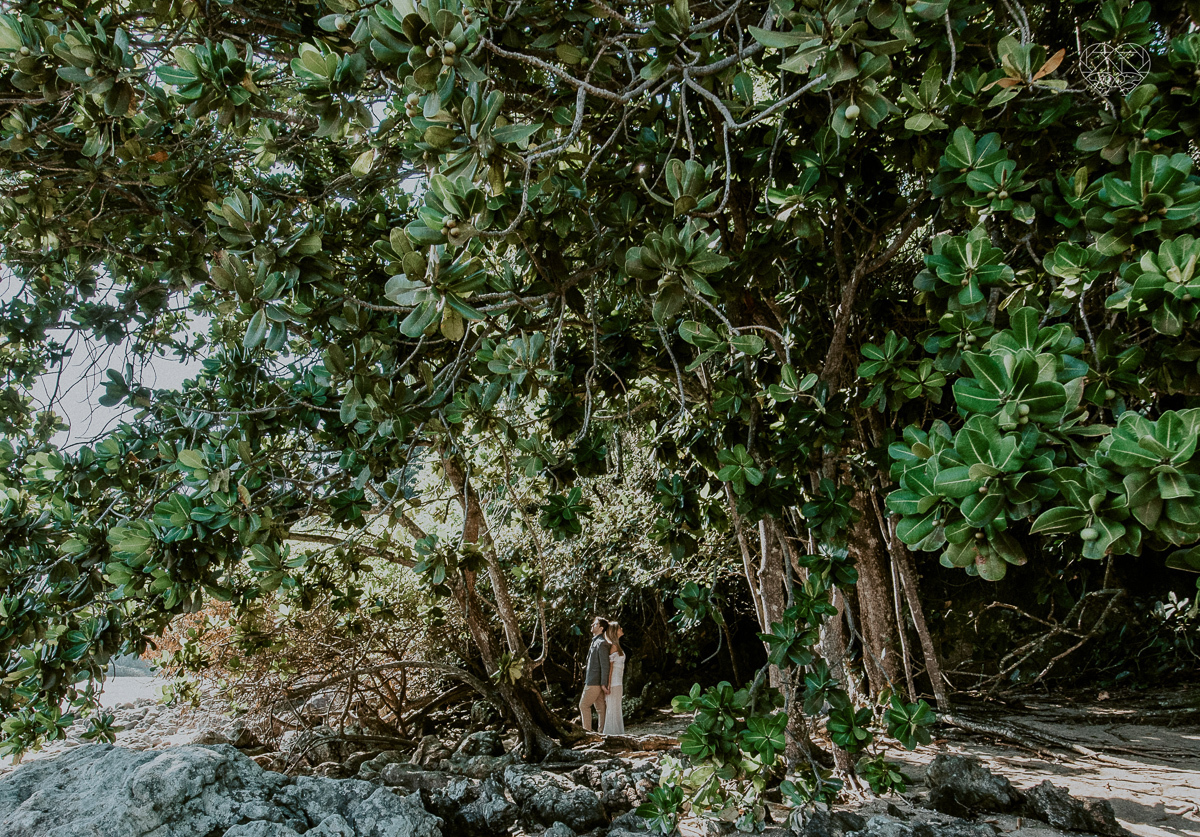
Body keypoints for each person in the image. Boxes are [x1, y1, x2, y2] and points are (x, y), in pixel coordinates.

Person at [579, 616, 611, 732]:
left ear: (601, 628)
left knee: (583, 705)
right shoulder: (596, 641)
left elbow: (605, 665)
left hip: (594, 681)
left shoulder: (601, 643)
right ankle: (601, 732)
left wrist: (603, 683)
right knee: (600, 708)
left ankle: (587, 732)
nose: (592, 625)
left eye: (595, 624)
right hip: (593, 680)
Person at [601, 622, 626, 735]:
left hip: (619, 681)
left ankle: (618, 733)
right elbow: (610, 669)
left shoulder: (617, 646)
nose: (621, 629)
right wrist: (608, 684)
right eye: (619, 628)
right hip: (614, 682)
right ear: (615, 631)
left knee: (617, 708)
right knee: (612, 708)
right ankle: (612, 734)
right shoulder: (613, 647)